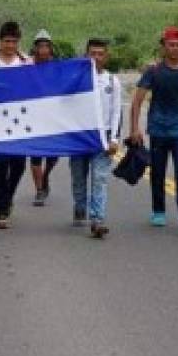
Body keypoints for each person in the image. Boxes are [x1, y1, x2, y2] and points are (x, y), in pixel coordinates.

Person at [128, 25, 178, 235]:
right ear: (164, 46)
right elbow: (137, 101)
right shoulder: (153, 71)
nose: (174, 49)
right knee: (158, 173)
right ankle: (159, 210)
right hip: (158, 129)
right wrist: (135, 128)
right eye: (170, 45)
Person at [69, 38, 121, 238]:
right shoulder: (76, 80)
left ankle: (97, 219)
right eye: (93, 54)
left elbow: (116, 111)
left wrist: (114, 138)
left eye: (100, 54)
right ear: (86, 55)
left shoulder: (112, 81)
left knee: (99, 178)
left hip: (103, 136)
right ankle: (80, 207)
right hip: (80, 136)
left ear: (106, 57)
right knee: (78, 177)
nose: (96, 58)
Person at [0, 21, 32, 229]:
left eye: (13, 41)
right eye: (6, 41)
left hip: (20, 118)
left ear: (18, 42)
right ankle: (2, 208)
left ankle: (8, 196)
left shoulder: (26, 62)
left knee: (19, 165)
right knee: (0, 165)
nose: (10, 45)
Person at [28, 29, 60, 206]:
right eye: (40, 46)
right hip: (33, 116)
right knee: (35, 156)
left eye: (46, 46)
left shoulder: (57, 67)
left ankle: (45, 176)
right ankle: (39, 190)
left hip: (52, 116)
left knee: (53, 156)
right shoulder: (27, 67)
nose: (43, 50)